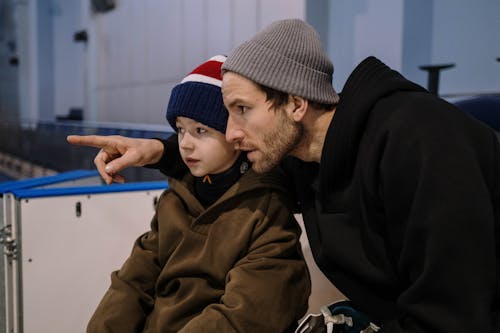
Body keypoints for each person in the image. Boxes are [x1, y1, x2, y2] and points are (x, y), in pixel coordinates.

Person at [69, 19, 500, 332]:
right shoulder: (305, 159)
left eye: (242, 110)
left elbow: (457, 314)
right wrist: (158, 150)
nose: (232, 134)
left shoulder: (421, 140)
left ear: (295, 104)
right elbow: (224, 163)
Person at [83, 55, 311, 333]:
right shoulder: (176, 198)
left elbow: (245, 315)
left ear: (236, 134)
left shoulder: (265, 209)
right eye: (180, 130)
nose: (185, 144)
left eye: (200, 130)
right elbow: (133, 282)